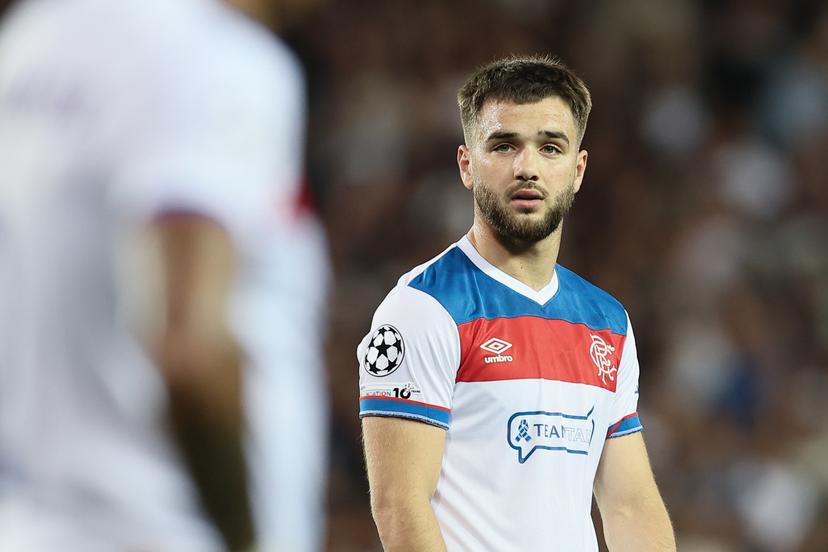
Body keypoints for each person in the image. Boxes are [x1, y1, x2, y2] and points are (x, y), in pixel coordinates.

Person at [0, 0, 318, 550]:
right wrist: (249, 541)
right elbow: (191, 350)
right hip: (162, 527)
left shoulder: (30, 40)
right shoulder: (214, 58)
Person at [358, 55, 676, 551]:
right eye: (505, 146)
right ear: (467, 165)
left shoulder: (608, 323)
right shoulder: (422, 310)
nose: (527, 167)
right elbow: (399, 505)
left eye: (551, 147)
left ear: (578, 169)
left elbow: (629, 503)